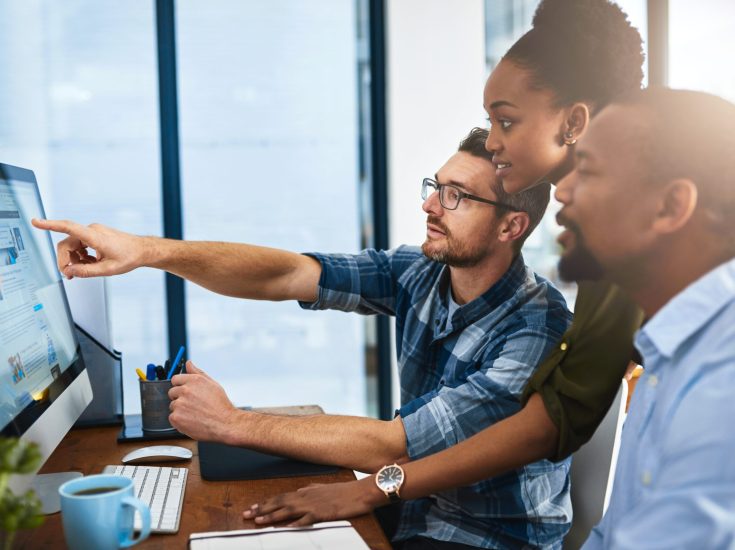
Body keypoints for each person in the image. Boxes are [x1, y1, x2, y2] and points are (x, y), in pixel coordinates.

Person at [33, 129, 574, 549]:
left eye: (457, 196)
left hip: (487, 536)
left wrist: (233, 423)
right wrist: (148, 252)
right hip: (407, 504)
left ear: (511, 227)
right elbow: (287, 274)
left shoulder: (537, 328)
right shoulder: (422, 271)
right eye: (436, 186)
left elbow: (396, 443)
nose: (430, 206)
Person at [244, 0, 649, 533]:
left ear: (574, 123)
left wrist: (371, 486)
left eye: (505, 120)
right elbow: (295, 272)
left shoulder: (602, 269)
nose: (494, 140)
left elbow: (546, 426)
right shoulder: (426, 273)